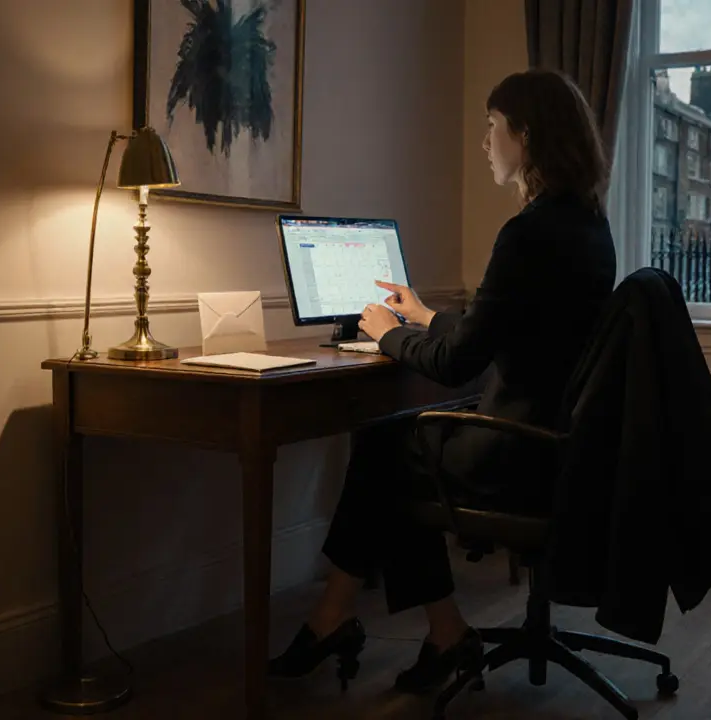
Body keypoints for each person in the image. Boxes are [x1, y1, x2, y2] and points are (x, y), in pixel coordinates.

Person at [267, 69, 617, 695]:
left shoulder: (527, 233)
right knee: (393, 448)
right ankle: (412, 628)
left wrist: (385, 333)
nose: (485, 142)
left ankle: (349, 620)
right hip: (559, 444)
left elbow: (458, 364)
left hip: (517, 450)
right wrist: (425, 316)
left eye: (492, 127)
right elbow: (510, 331)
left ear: (525, 136)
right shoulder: (588, 225)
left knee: (383, 449)